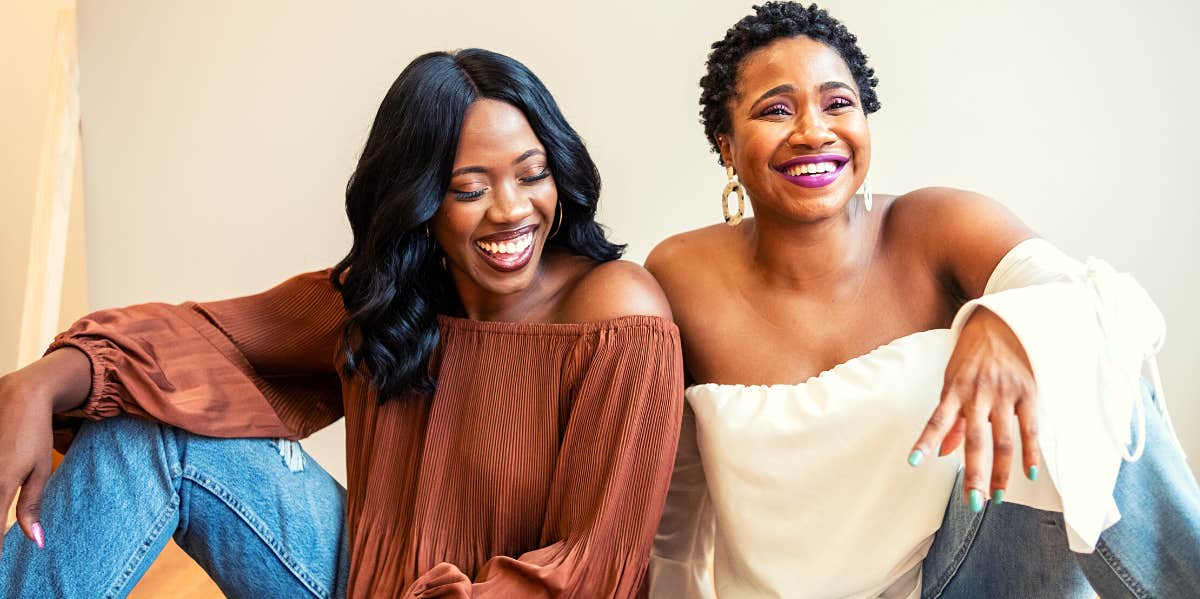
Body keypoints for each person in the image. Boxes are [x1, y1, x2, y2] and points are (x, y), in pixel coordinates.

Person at [0, 48, 684, 599]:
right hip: (364, 578)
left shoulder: (617, 316)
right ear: (419, 202)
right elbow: (205, 336)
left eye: (531, 175)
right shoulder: (395, 294)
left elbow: (596, 567)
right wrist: (37, 384)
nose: (511, 210)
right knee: (146, 424)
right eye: (468, 188)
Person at [644, 3, 1200, 598]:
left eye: (838, 103)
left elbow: (1105, 303)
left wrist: (1005, 322)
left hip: (964, 579)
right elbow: (671, 491)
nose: (813, 130)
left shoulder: (936, 225)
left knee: (1081, 358)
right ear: (725, 146)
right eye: (777, 110)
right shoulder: (681, 275)